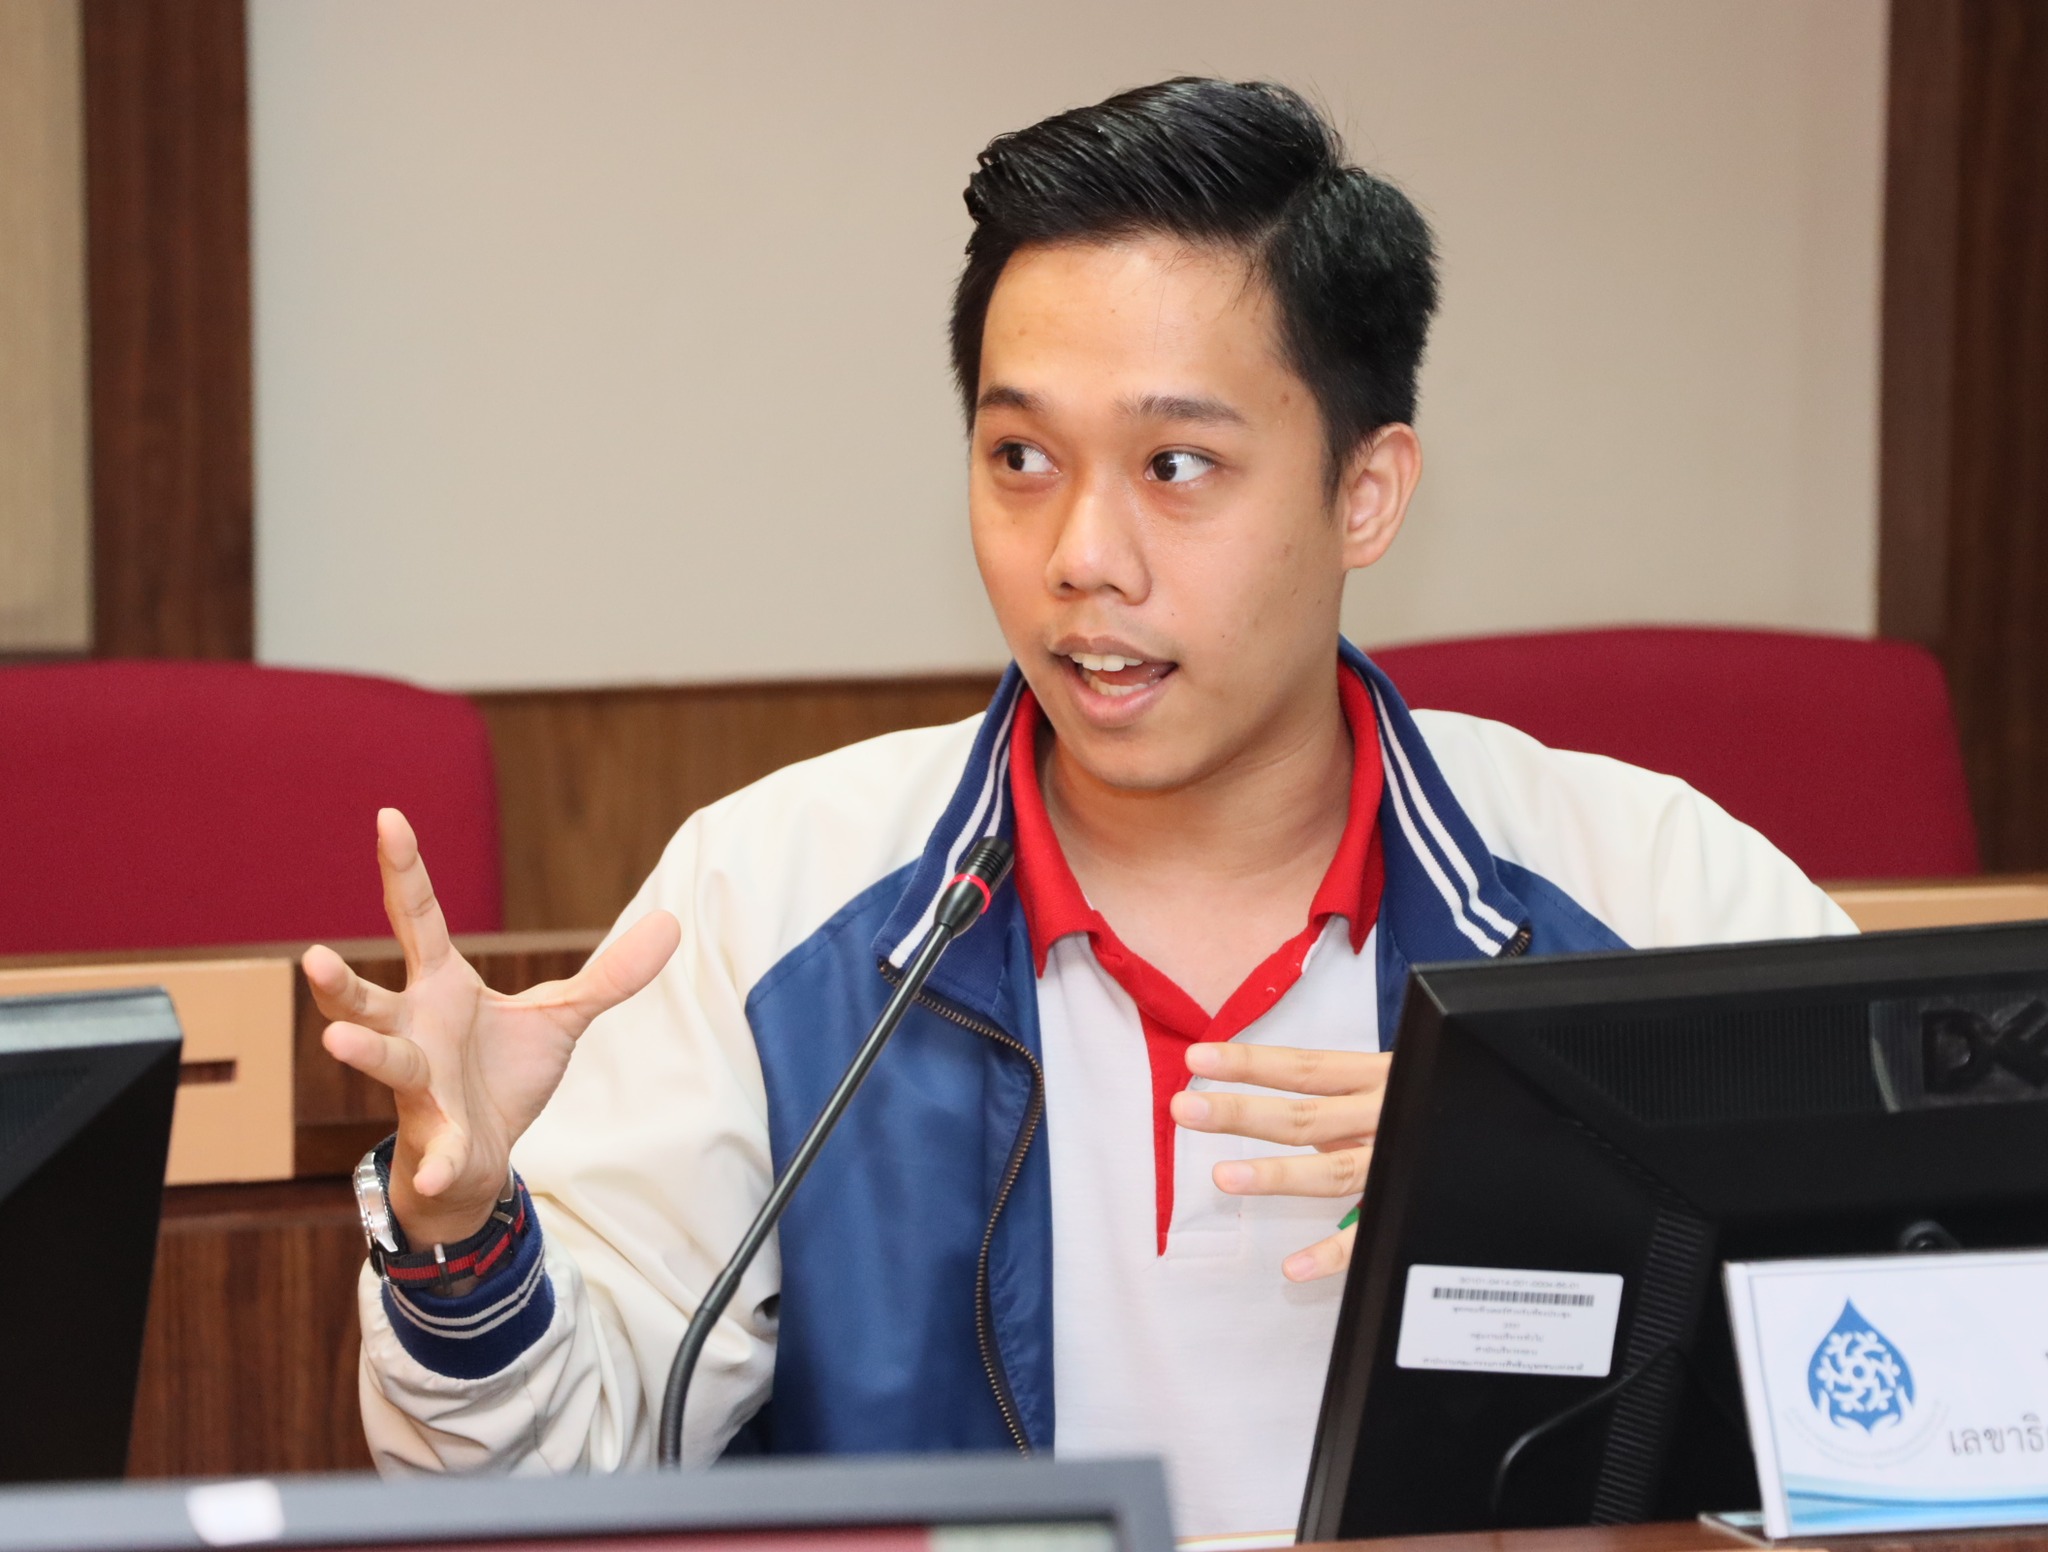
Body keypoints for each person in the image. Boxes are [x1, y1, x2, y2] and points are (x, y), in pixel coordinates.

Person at [308, 78, 1851, 1535]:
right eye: (1021, 457)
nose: (1081, 557)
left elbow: (1916, 1385)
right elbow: (555, 1492)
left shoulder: (1652, 893)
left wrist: (1587, 1191)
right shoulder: (773, 900)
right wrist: (466, 1238)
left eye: (1176, 464)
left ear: (1365, 493)